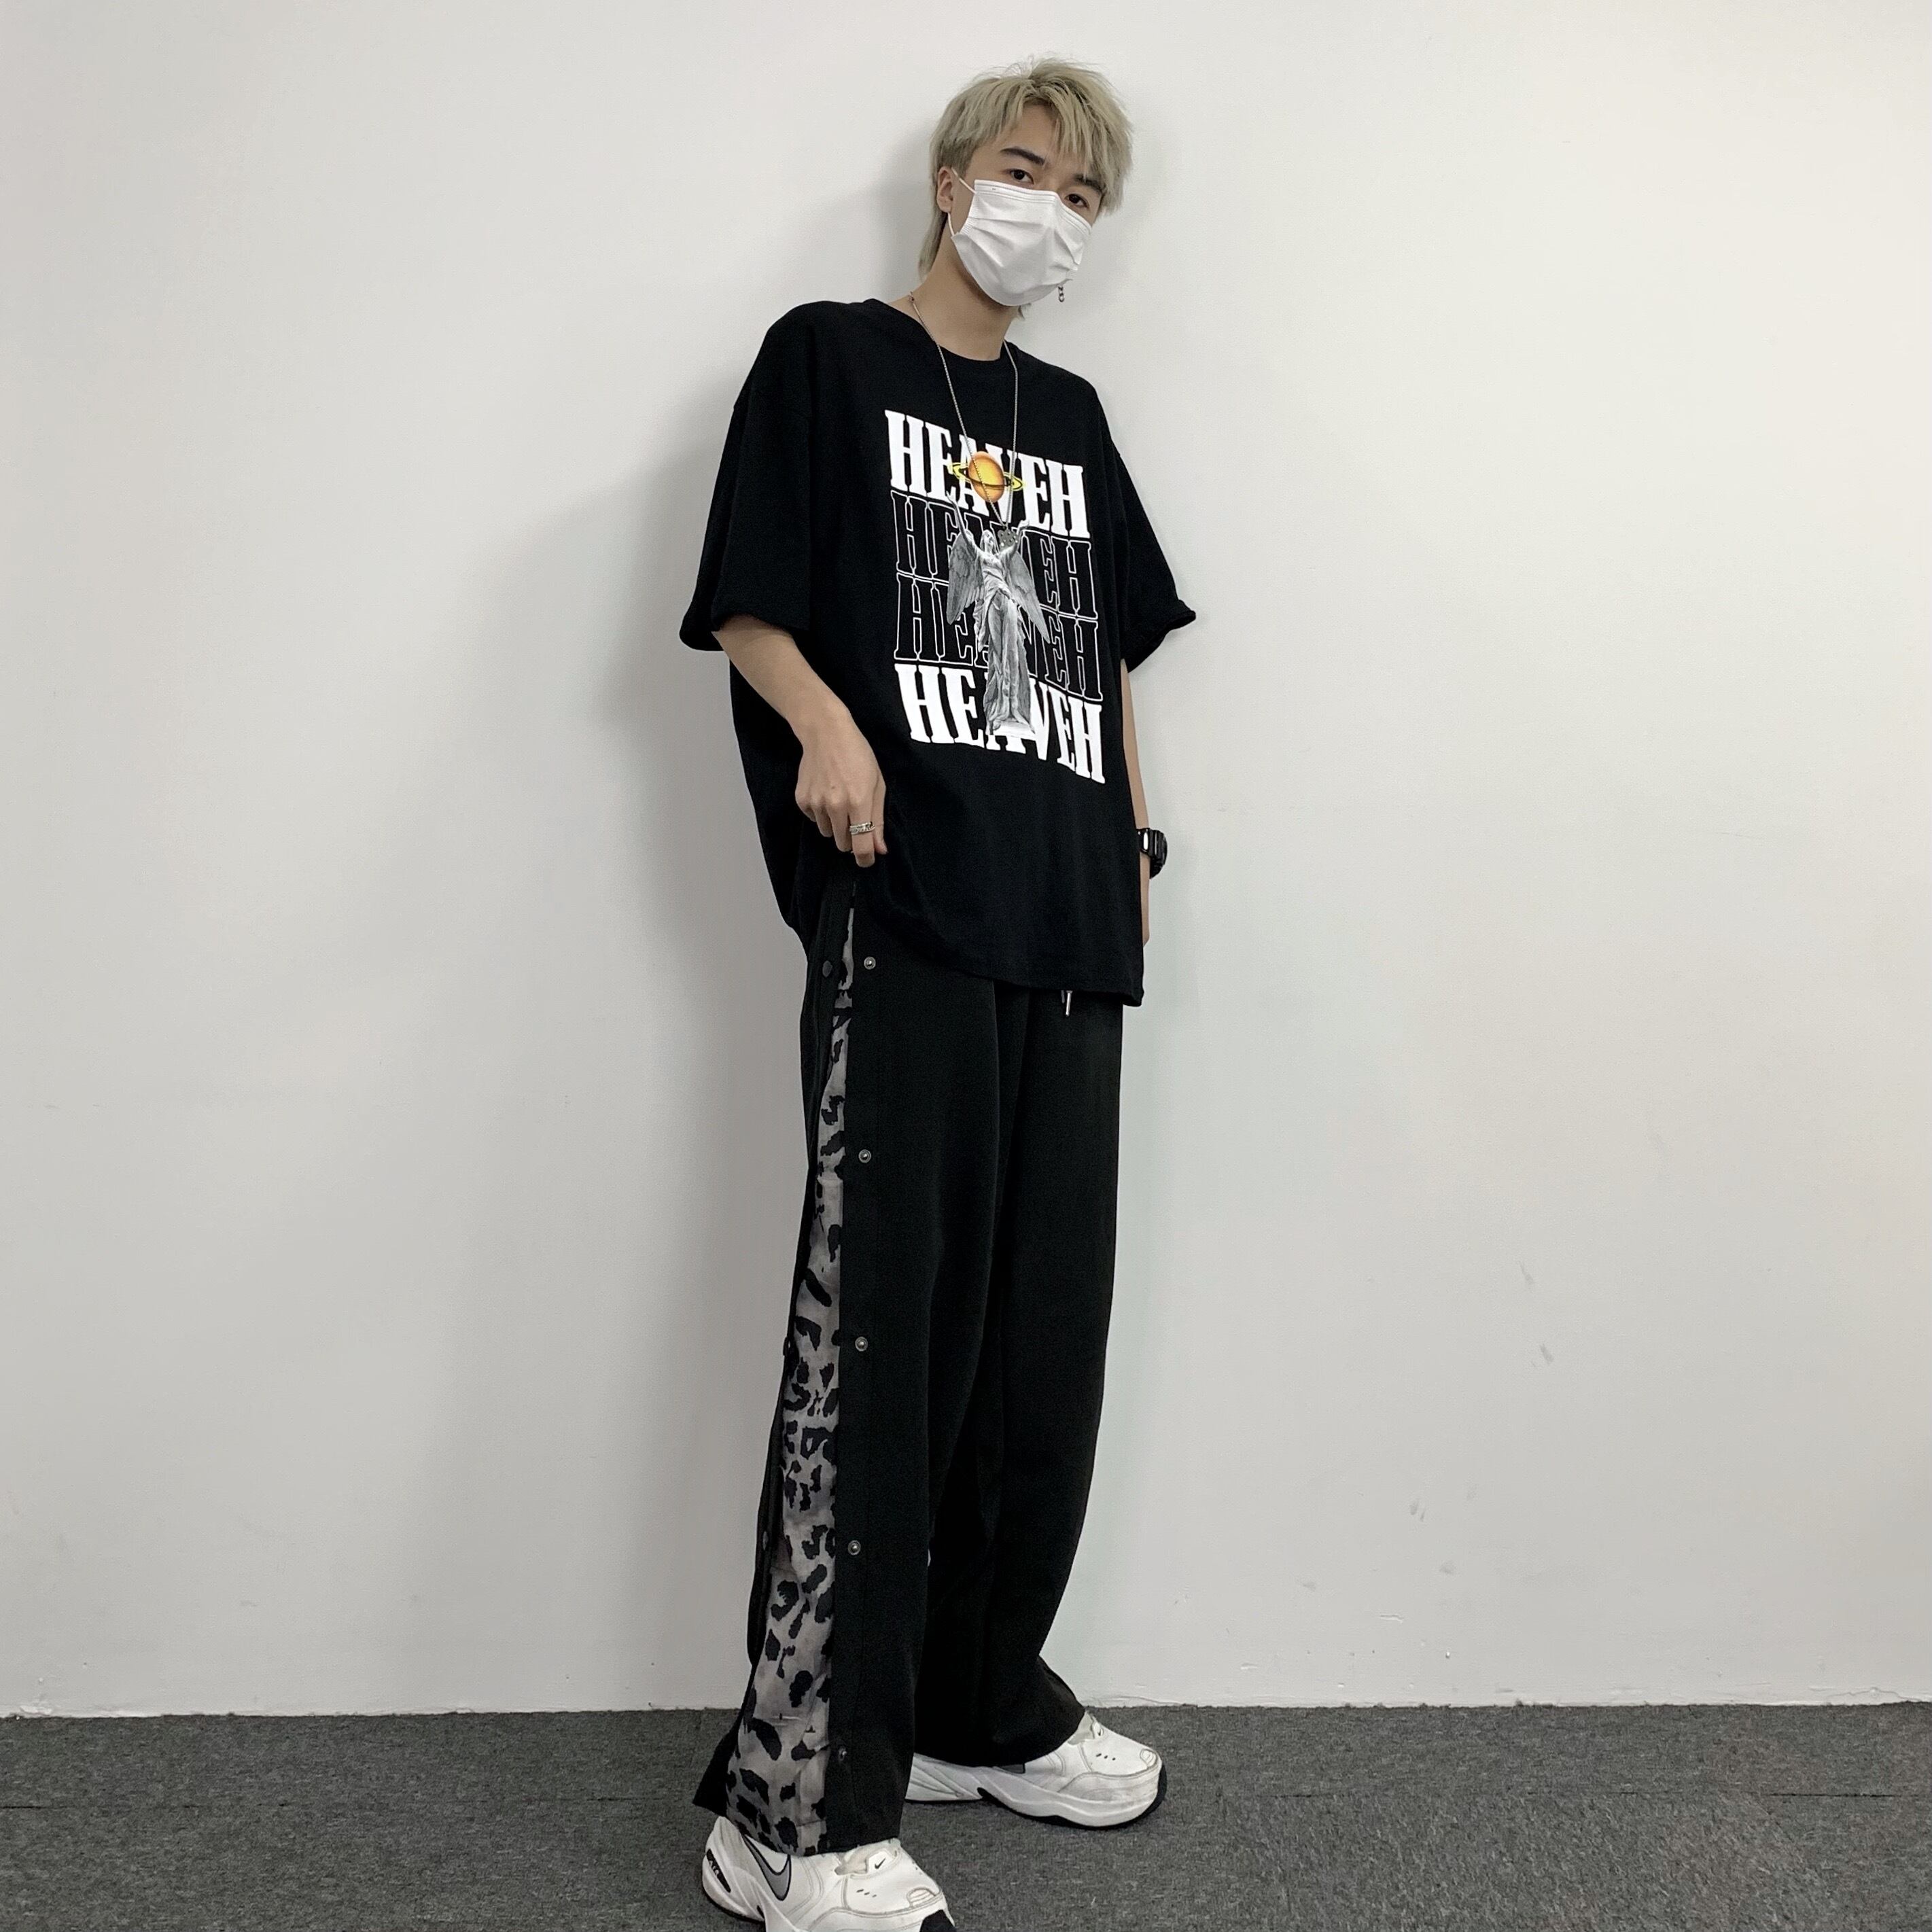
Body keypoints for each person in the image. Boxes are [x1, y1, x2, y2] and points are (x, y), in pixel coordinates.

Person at [677, 56, 1196, 1932]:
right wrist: (830, 729)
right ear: (958, 174)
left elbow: (1103, 652)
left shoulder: (1069, 417)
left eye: (1083, 193)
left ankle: (979, 1699)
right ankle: (791, 1807)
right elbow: (747, 601)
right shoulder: (826, 360)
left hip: (1067, 929)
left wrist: (1131, 839)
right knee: (878, 1358)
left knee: (1040, 1349)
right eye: (1029, 168)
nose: (1051, 209)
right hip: (903, 906)